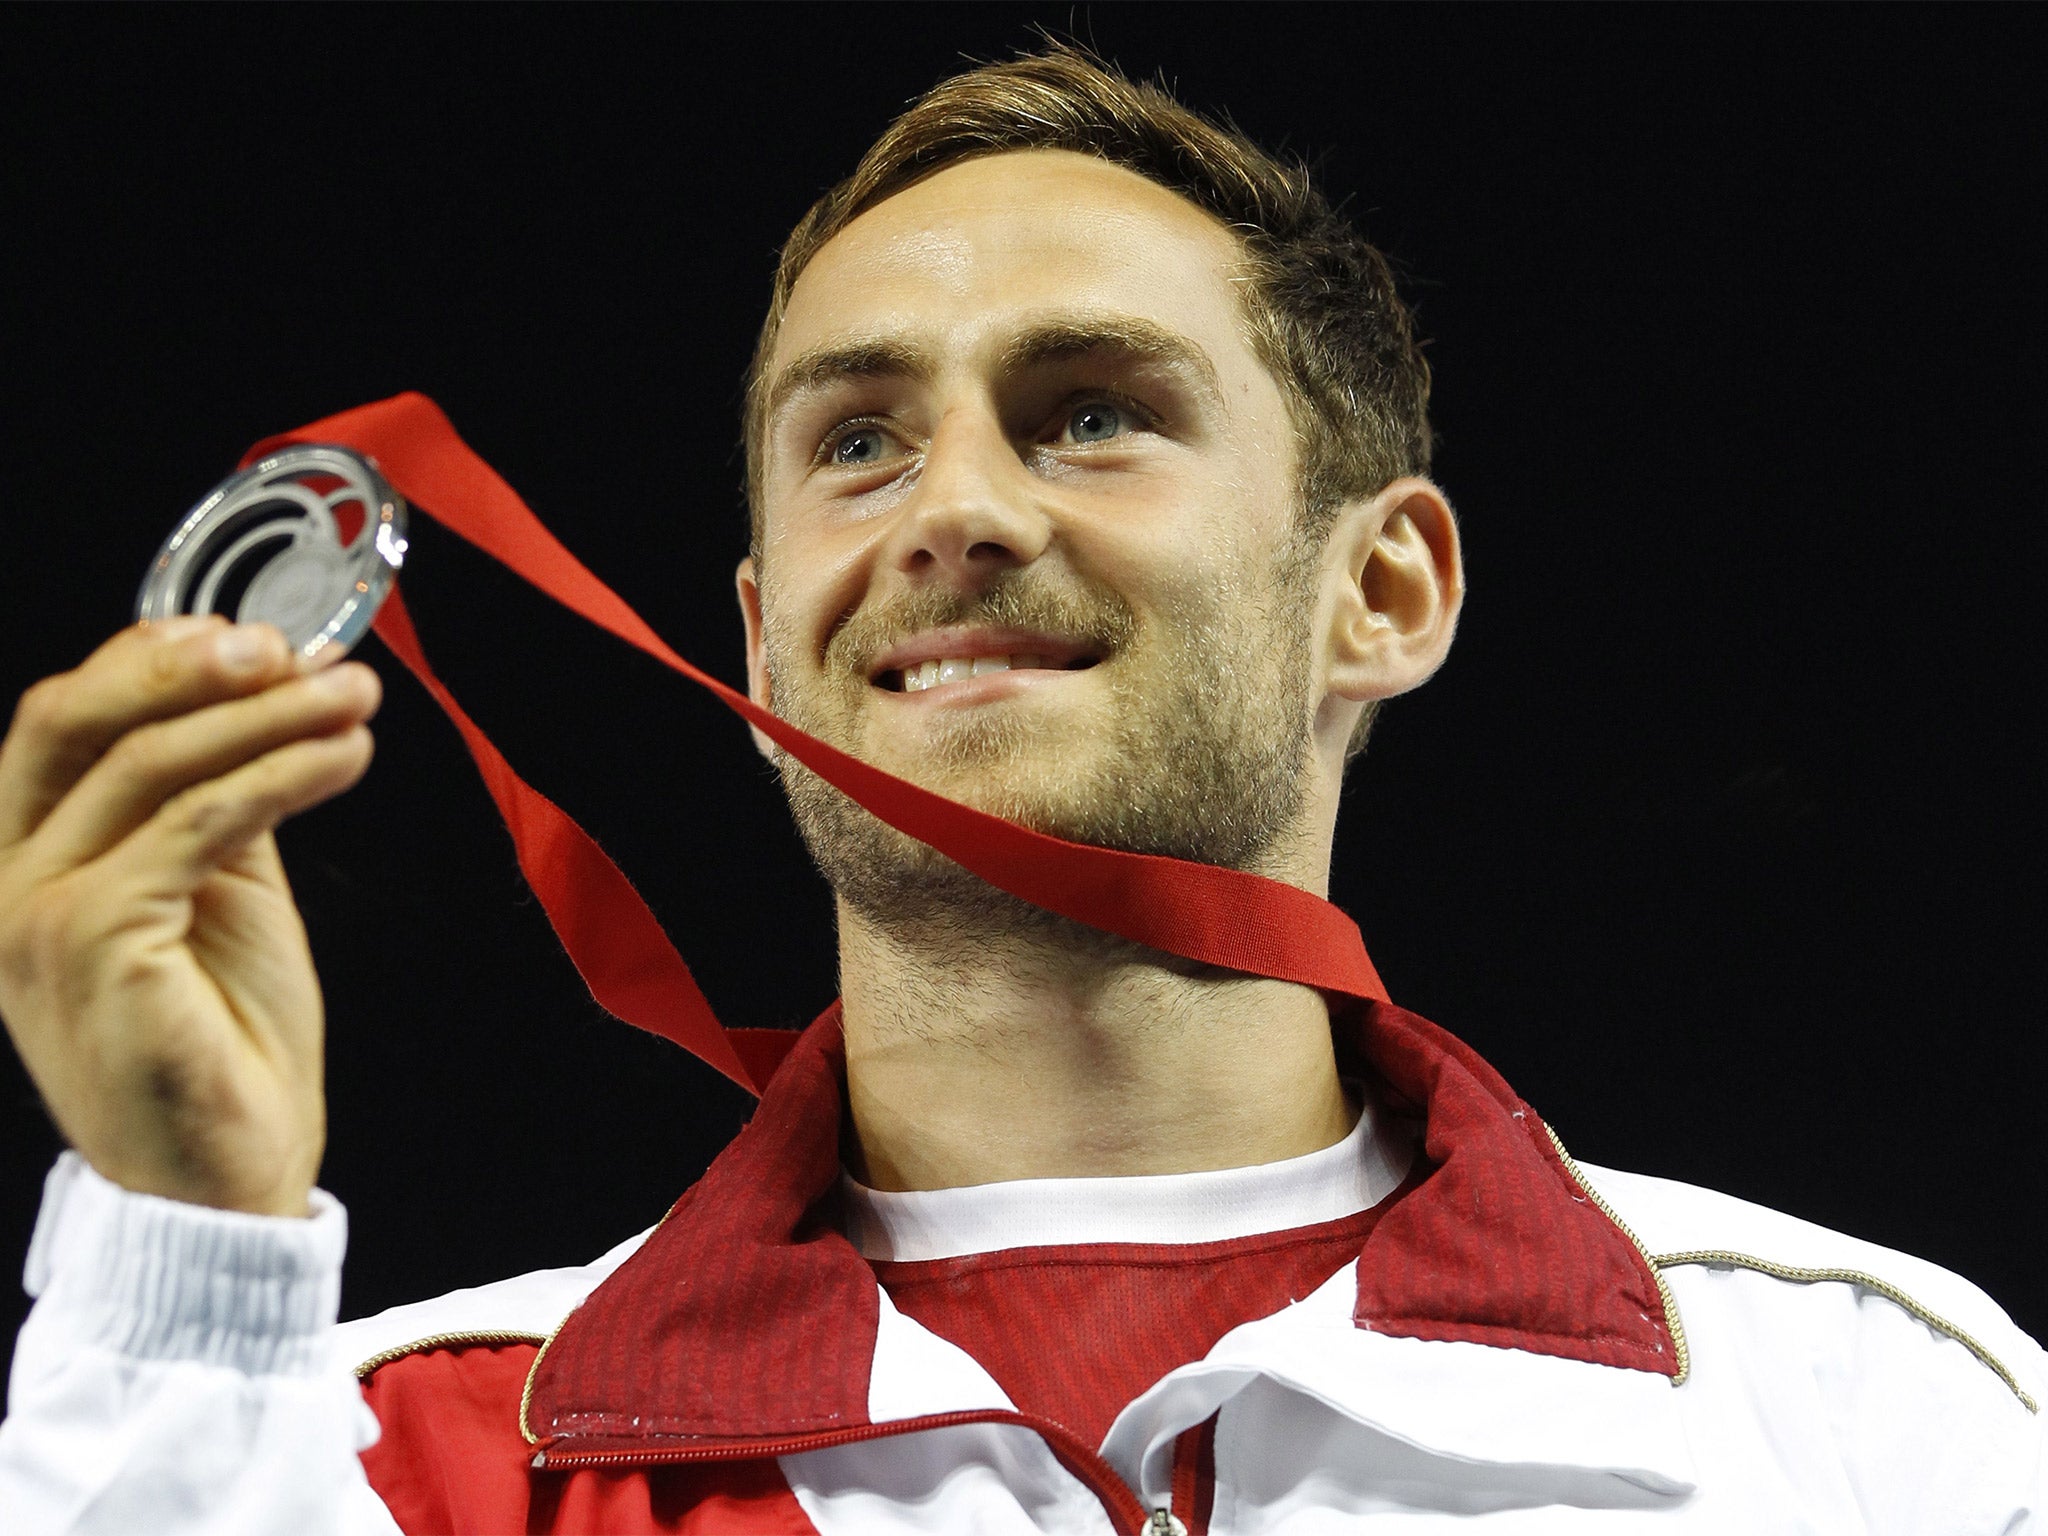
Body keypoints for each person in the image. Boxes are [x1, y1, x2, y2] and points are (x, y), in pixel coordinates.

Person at [0, 44, 2040, 1534]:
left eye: (1089, 415)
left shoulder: (1855, 1416)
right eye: (859, 445)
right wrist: (187, 1255)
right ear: (760, 638)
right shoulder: (405, 1455)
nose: (954, 511)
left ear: (1382, 587)